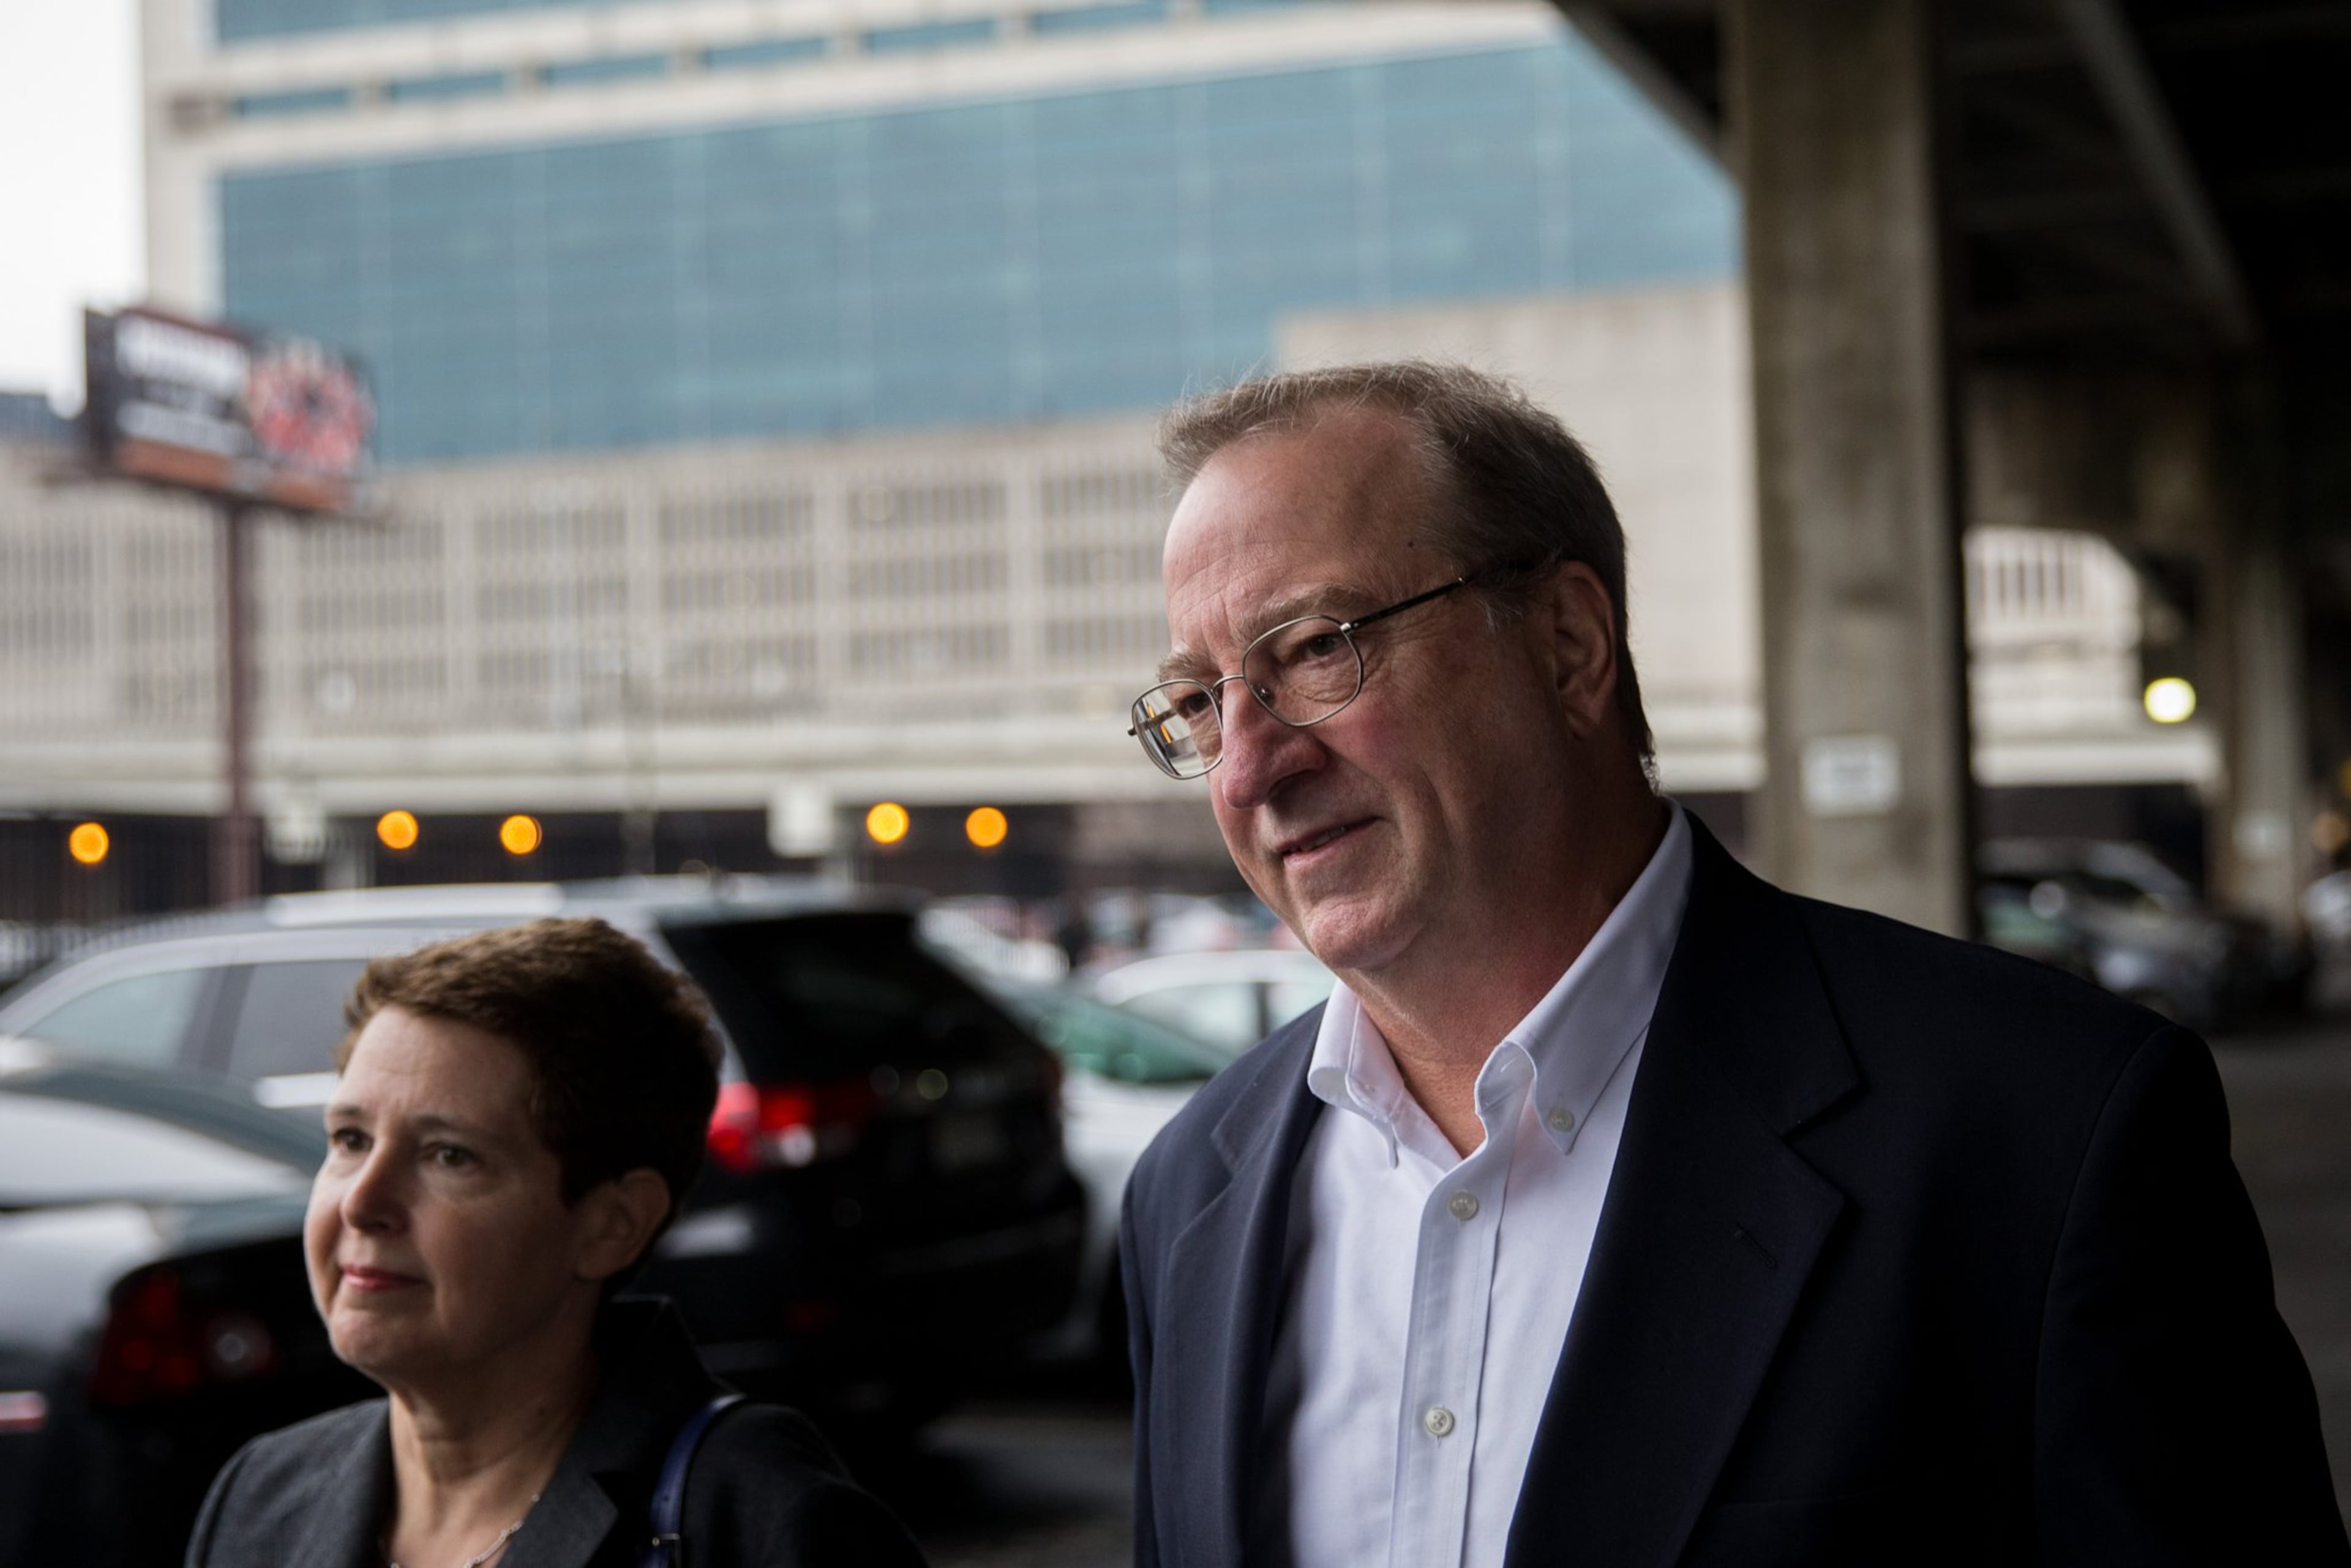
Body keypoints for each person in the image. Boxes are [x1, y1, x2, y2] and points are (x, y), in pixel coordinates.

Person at [1117, 361, 2348, 1566]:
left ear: (1568, 644)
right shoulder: (1189, 1190)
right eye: (1203, 701)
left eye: (1317, 649)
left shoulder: (2048, 1128)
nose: (1245, 768)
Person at [186, 918, 926, 1568]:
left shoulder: (764, 1523)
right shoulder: (261, 1494)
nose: (362, 1201)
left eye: (449, 1155)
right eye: (350, 1138)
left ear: (612, 1224)